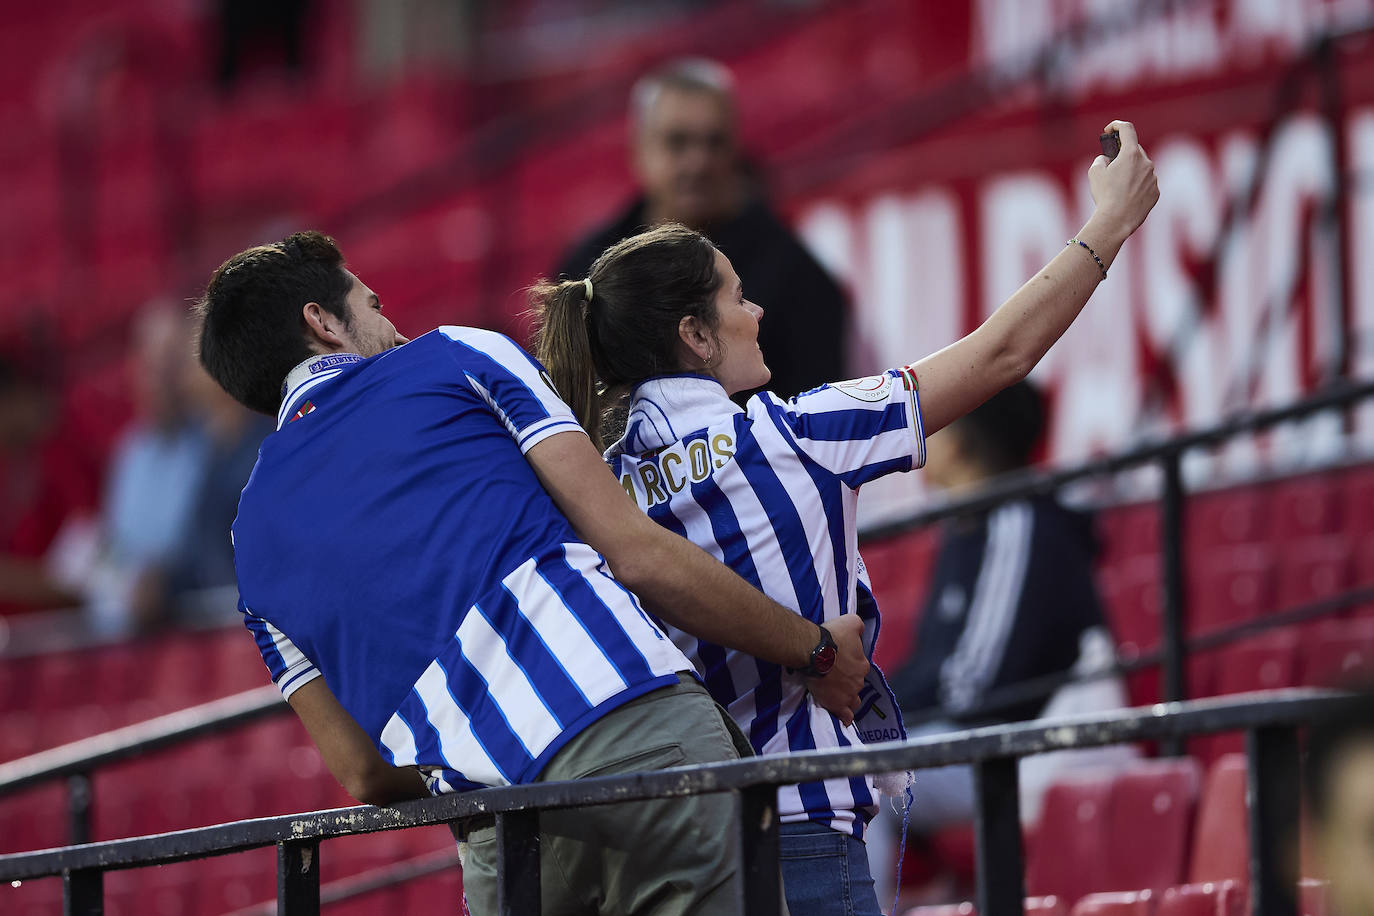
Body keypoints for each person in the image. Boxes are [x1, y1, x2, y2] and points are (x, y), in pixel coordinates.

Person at [533, 121, 1158, 916]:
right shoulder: (797, 434)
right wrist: (1109, 224)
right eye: (735, 295)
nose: (756, 310)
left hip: (658, 859)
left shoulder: (590, 490)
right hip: (800, 834)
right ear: (694, 335)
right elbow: (1002, 355)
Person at [194, 230, 870, 915]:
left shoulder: (248, 545)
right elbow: (634, 550)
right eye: (372, 305)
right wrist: (812, 648)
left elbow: (362, 770)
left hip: (500, 834)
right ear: (323, 321)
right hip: (636, 734)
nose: (393, 327)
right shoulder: (456, 353)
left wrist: (485, 741)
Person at [556, 57, 847, 400]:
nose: (698, 161)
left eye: (714, 142)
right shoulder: (586, 264)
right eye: (678, 142)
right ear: (640, 148)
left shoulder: (796, 274)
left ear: (735, 149)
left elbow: (818, 415)